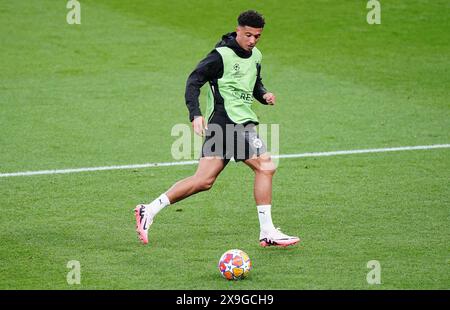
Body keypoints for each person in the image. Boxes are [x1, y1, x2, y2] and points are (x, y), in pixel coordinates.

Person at [135, 10, 300, 247]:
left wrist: (264, 95)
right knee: (266, 166)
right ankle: (267, 232)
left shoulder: (255, 56)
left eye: (257, 36)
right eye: (248, 35)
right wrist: (195, 114)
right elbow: (194, 80)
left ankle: (148, 210)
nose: (252, 40)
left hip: (228, 124)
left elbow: (254, 84)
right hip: (230, 122)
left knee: (203, 180)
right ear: (238, 30)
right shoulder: (221, 55)